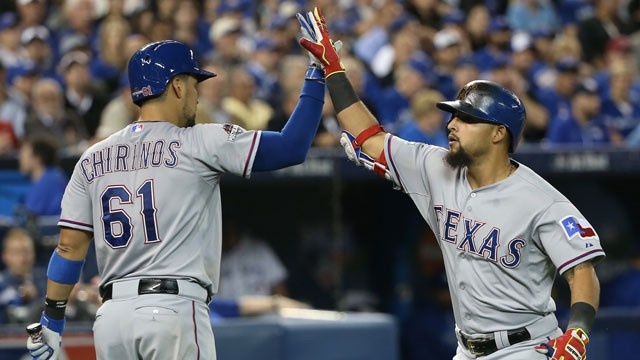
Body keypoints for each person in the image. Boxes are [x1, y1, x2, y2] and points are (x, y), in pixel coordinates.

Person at [298, 8, 605, 360]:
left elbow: (581, 268)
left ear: (498, 134)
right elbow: (369, 138)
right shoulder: (435, 166)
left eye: (467, 118)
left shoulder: (541, 200)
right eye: (454, 115)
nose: (452, 124)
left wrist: (578, 332)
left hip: (525, 347)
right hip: (466, 348)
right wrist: (335, 72)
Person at [25, 39, 327, 360]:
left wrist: (52, 321)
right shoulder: (200, 141)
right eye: (195, 85)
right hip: (173, 311)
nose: (197, 96)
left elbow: (69, 247)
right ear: (178, 86)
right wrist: (317, 74)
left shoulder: (92, 157)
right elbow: (291, 147)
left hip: (111, 321)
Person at [0, 228, 46, 325]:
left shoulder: (45, 280)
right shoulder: (1, 283)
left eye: (26, 252)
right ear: (5, 256)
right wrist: (21, 297)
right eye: (17, 252)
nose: (23, 258)